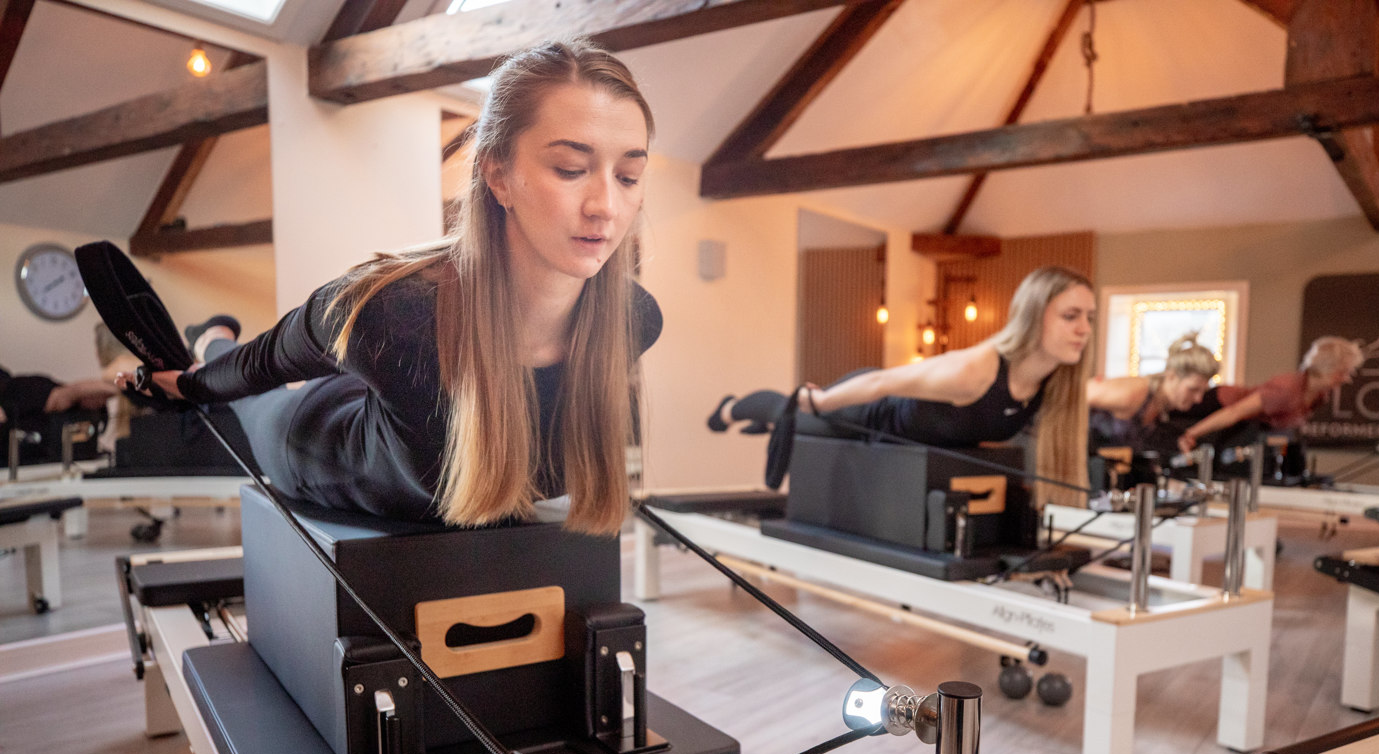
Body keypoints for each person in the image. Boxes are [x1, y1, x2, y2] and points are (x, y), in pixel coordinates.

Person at [118, 39, 660, 534]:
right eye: (570, 168)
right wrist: (192, 386)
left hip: (398, 403)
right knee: (255, 404)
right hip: (328, 442)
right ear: (498, 176)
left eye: (628, 177)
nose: (607, 207)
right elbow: (267, 362)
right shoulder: (390, 312)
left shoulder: (632, 320)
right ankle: (212, 336)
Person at [709, 266, 1096, 507]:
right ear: (1033, 316)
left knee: (790, 425)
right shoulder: (976, 371)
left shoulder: (1052, 387)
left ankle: (767, 423)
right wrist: (823, 401)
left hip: (901, 447)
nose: (1084, 329)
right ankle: (729, 408)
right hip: (868, 415)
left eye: (1089, 318)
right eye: (1070, 316)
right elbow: (883, 381)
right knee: (788, 412)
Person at [1176, 336, 1364, 454]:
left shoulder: (1320, 396)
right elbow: (1235, 412)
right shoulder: (1286, 390)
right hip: (1217, 404)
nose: (1347, 379)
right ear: (1328, 368)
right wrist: (1191, 434)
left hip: (1241, 424)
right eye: (1344, 372)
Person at [1087, 334, 1220, 457]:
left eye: (1202, 391)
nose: (1198, 399)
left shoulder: (1161, 408)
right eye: (1193, 389)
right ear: (1171, 376)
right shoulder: (1135, 391)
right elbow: (1080, 394)